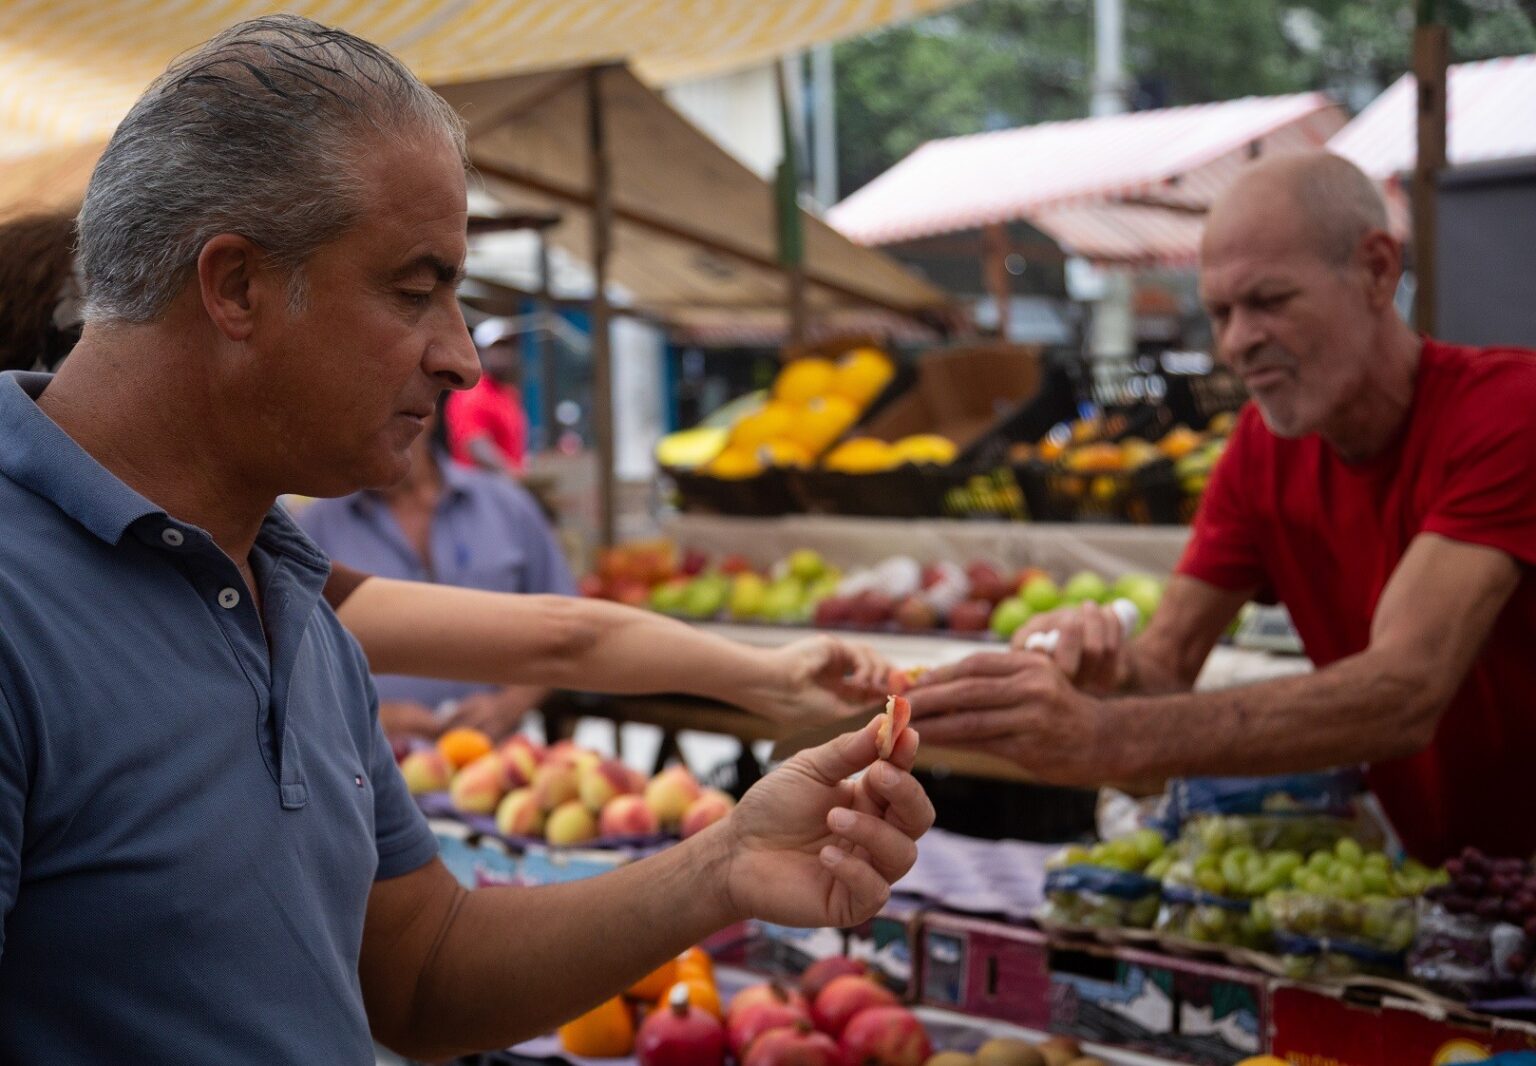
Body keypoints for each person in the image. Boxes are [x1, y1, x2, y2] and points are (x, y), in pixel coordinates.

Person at [0, 17, 934, 1063]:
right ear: (235, 286)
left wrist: (725, 864)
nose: (462, 362)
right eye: (415, 290)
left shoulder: (284, 591)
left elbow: (423, 972)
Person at [0, 214, 892, 732]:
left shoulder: (251, 567)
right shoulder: (38, 602)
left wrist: (767, 681)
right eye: (409, 293)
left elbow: (558, 637)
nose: (459, 363)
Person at [907, 152, 1536, 865]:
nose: (1237, 341)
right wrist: (1093, 670)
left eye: (1269, 301)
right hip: (1458, 889)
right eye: (1220, 313)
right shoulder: (1261, 451)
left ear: (1377, 270)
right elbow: (1166, 664)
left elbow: (1403, 691)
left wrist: (1105, 736)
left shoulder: (1510, 413)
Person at [300, 403, 576, 741]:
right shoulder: (312, 530)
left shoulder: (508, 507)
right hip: (366, 772)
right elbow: (289, 670)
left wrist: (512, 702)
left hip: (496, 765)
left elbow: (568, 629)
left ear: (428, 407)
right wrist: (369, 715)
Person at [447, 318, 530, 472]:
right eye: (497, 348)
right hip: (478, 489)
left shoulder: (508, 393)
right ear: (480, 352)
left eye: (508, 347)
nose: (504, 354)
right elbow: (475, 446)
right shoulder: (471, 393)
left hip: (505, 488)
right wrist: (515, 476)